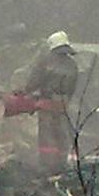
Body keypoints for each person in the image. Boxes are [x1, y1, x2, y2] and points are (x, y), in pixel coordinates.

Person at [16, 30, 79, 171]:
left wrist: (24, 92)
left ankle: (47, 165)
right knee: (61, 136)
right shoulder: (72, 65)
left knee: (47, 138)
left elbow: (35, 81)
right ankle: (61, 164)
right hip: (63, 106)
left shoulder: (46, 61)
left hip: (46, 105)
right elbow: (72, 89)